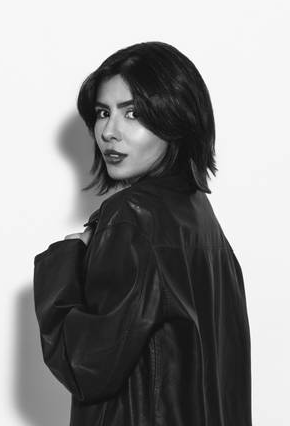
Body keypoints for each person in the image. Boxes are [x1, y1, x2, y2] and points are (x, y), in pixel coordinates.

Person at [33, 41, 252, 425]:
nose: (109, 132)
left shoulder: (131, 217)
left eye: (133, 113)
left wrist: (65, 264)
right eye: (103, 113)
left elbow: (84, 368)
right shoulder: (201, 219)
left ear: (176, 119)